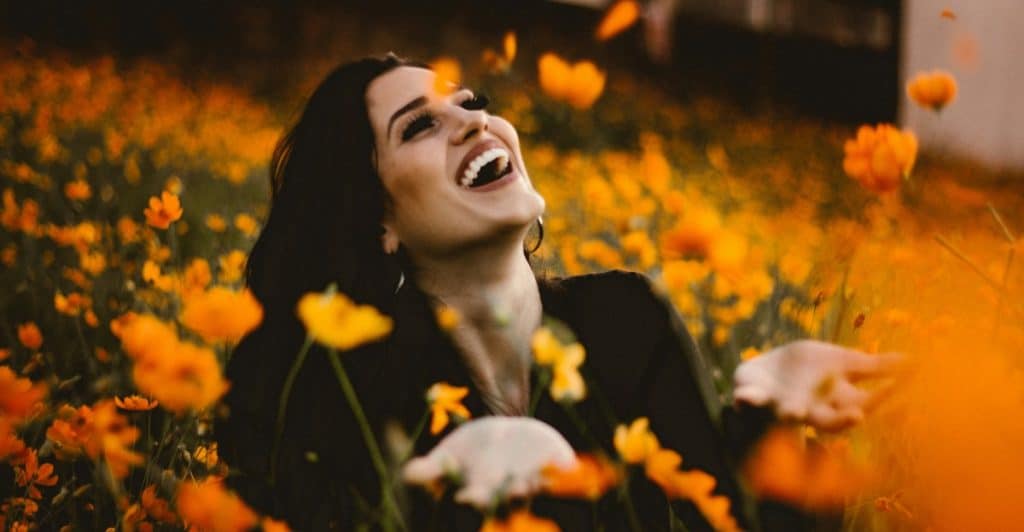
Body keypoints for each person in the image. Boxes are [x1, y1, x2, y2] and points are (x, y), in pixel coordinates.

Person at [216, 54, 895, 531]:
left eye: (471, 104)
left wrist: (768, 414)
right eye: (420, 126)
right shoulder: (365, 405)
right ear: (378, 222)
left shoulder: (628, 319)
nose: (475, 123)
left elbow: (724, 521)